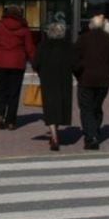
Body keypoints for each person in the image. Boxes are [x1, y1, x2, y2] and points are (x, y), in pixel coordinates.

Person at [0, 5, 36, 130]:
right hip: (17, 63)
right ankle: (11, 121)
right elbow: (30, 48)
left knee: (1, 90)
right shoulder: (24, 28)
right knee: (14, 93)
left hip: (0, 62)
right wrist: (34, 63)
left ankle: (0, 113)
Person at [74, 14, 109, 150]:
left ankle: (91, 137)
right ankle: (95, 130)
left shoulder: (83, 39)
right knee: (96, 106)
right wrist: (107, 73)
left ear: (91, 25)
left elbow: (74, 60)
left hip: (86, 79)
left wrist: (78, 74)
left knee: (86, 109)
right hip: (103, 81)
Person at [33, 20, 74, 151]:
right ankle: (55, 133)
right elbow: (76, 63)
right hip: (64, 80)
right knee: (61, 106)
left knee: (50, 107)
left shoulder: (43, 45)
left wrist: (40, 71)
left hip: (47, 80)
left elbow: (35, 63)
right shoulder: (68, 46)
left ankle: (54, 135)